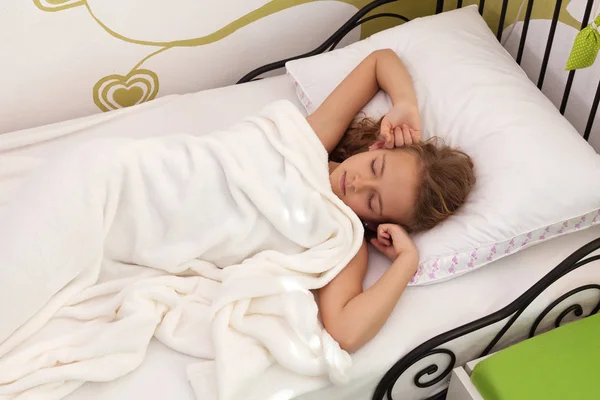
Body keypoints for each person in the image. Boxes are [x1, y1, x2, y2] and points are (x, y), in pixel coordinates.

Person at [307, 49, 475, 352]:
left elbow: (345, 332)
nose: (358, 183)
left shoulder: (345, 234)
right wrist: (405, 104)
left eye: (372, 201)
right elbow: (379, 60)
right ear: (377, 147)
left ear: (376, 222)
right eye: (375, 167)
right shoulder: (312, 141)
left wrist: (407, 261)